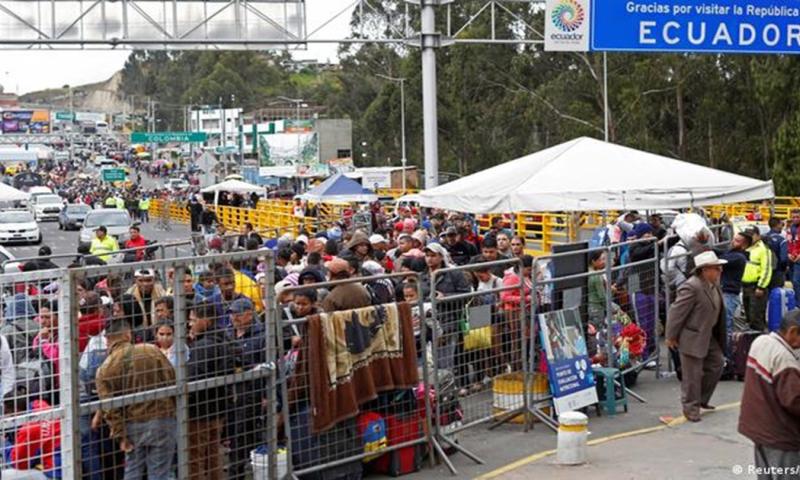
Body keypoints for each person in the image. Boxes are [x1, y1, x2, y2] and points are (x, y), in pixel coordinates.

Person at [95, 318, 177, 480]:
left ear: (107, 340)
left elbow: (109, 408)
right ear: (128, 335)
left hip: (132, 424)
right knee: (160, 473)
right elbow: (172, 379)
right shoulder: (151, 350)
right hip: (162, 418)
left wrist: (121, 436)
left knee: (133, 472)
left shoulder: (104, 369)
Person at [666, 251, 728, 422]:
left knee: (717, 363)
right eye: (717, 268)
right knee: (692, 375)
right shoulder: (692, 286)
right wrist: (671, 335)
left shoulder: (713, 284)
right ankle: (691, 407)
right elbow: (676, 312)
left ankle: (701, 399)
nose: (720, 270)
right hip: (693, 336)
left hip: (708, 334)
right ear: (705, 270)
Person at [737, 309, 800, 478]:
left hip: (758, 429)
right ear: (793, 332)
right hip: (781, 435)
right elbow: (794, 401)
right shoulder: (785, 360)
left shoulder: (761, 342)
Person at [187, 302, 234, 480]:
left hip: (199, 412)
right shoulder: (225, 339)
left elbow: (192, 378)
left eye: (193, 320)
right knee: (213, 456)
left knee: (194, 459)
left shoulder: (204, 346)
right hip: (218, 409)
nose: (190, 324)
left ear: (205, 321)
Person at [225, 297, 267, 478]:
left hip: (252, 392)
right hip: (230, 392)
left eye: (238, 314)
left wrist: (265, 394)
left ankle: (241, 469)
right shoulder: (227, 334)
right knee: (234, 430)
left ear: (250, 314)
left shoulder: (261, 335)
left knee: (245, 431)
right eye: (232, 314)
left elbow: (267, 365)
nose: (234, 318)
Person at [719, 232, 751, 370]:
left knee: (726, 326)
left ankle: (728, 359)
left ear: (744, 244)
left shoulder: (738, 257)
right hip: (726, 293)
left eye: (737, 240)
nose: (733, 241)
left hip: (730, 295)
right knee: (724, 325)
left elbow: (721, 259)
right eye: (734, 239)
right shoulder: (733, 254)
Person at [742, 227, 773, 332]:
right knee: (748, 316)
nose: (749, 237)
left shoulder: (764, 250)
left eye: (752, 234)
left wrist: (761, 287)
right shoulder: (746, 248)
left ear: (758, 236)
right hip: (745, 286)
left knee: (756, 317)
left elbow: (767, 269)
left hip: (756, 287)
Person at [764, 217, 789, 289]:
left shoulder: (763, 238)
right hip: (777, 271)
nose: (782, 227)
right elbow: (783, 259)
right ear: (777, 225)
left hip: (764, 272)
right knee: (776, 296)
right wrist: (784, 268)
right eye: (782, 224)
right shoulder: (781, 240)